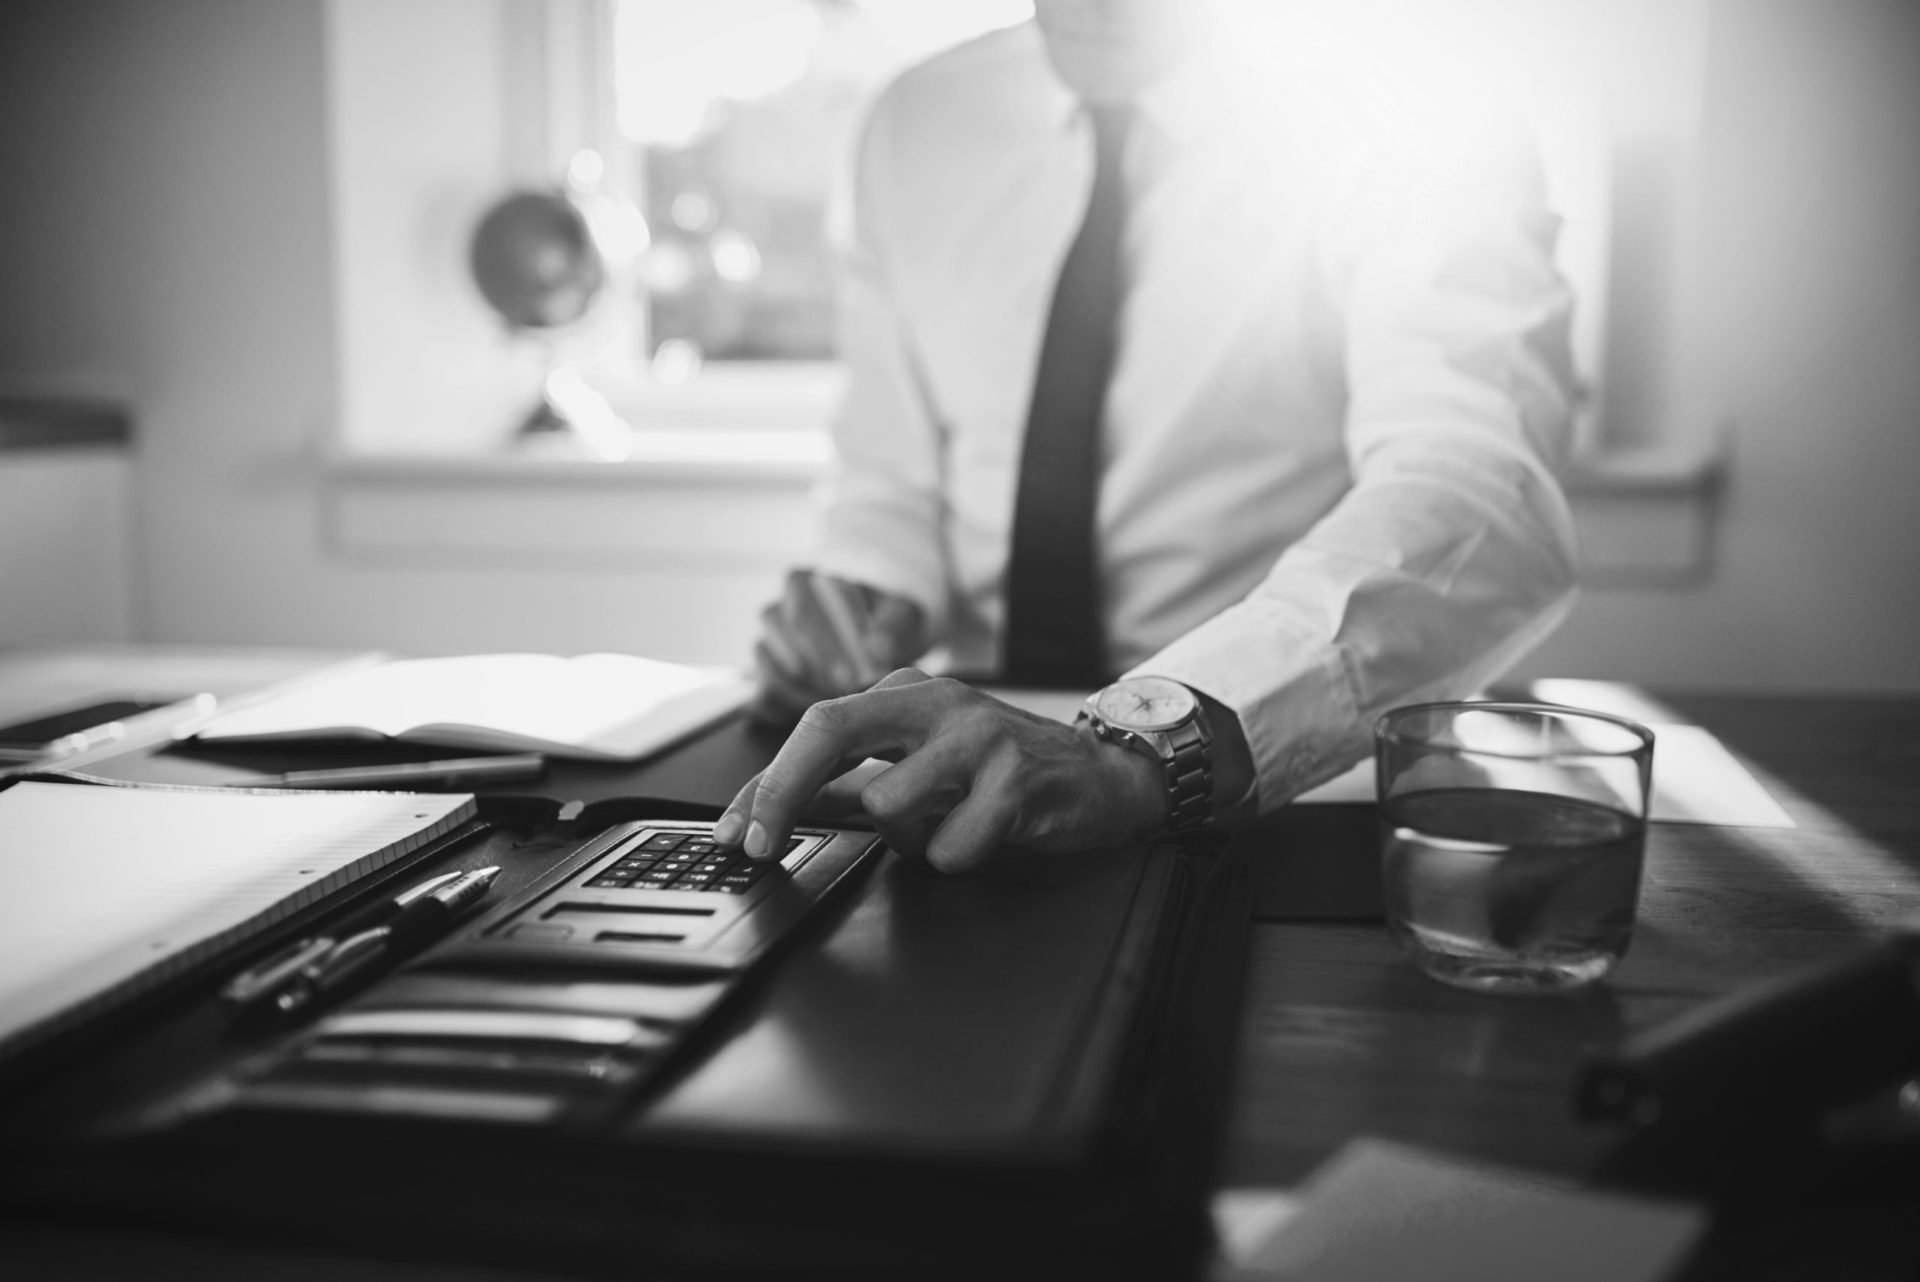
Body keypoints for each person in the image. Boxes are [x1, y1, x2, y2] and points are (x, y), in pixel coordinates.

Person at [719, 0, 1580, 872]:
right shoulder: (912, 123)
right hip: (955, 770)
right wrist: (865, 598)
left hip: (1277, 781)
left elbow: (1479, 485)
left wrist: (1144, 748)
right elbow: (889, 476)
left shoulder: (1417, 115)